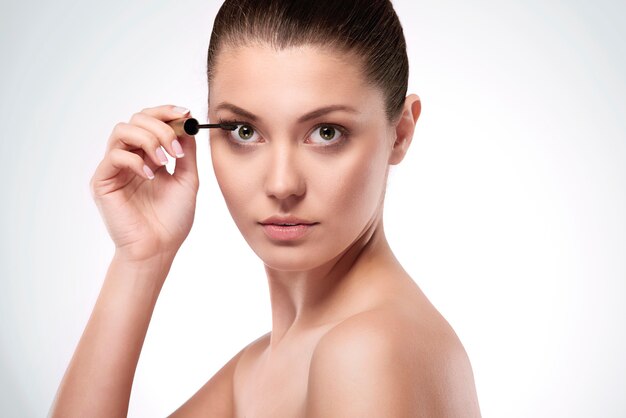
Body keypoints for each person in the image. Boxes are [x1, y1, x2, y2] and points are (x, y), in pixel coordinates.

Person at [49, 0, 482, 416]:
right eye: (244, 131)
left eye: (326, 132)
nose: (281, 185)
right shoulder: (261, 368)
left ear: (400, 132)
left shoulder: (369, 349)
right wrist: (141, 257)